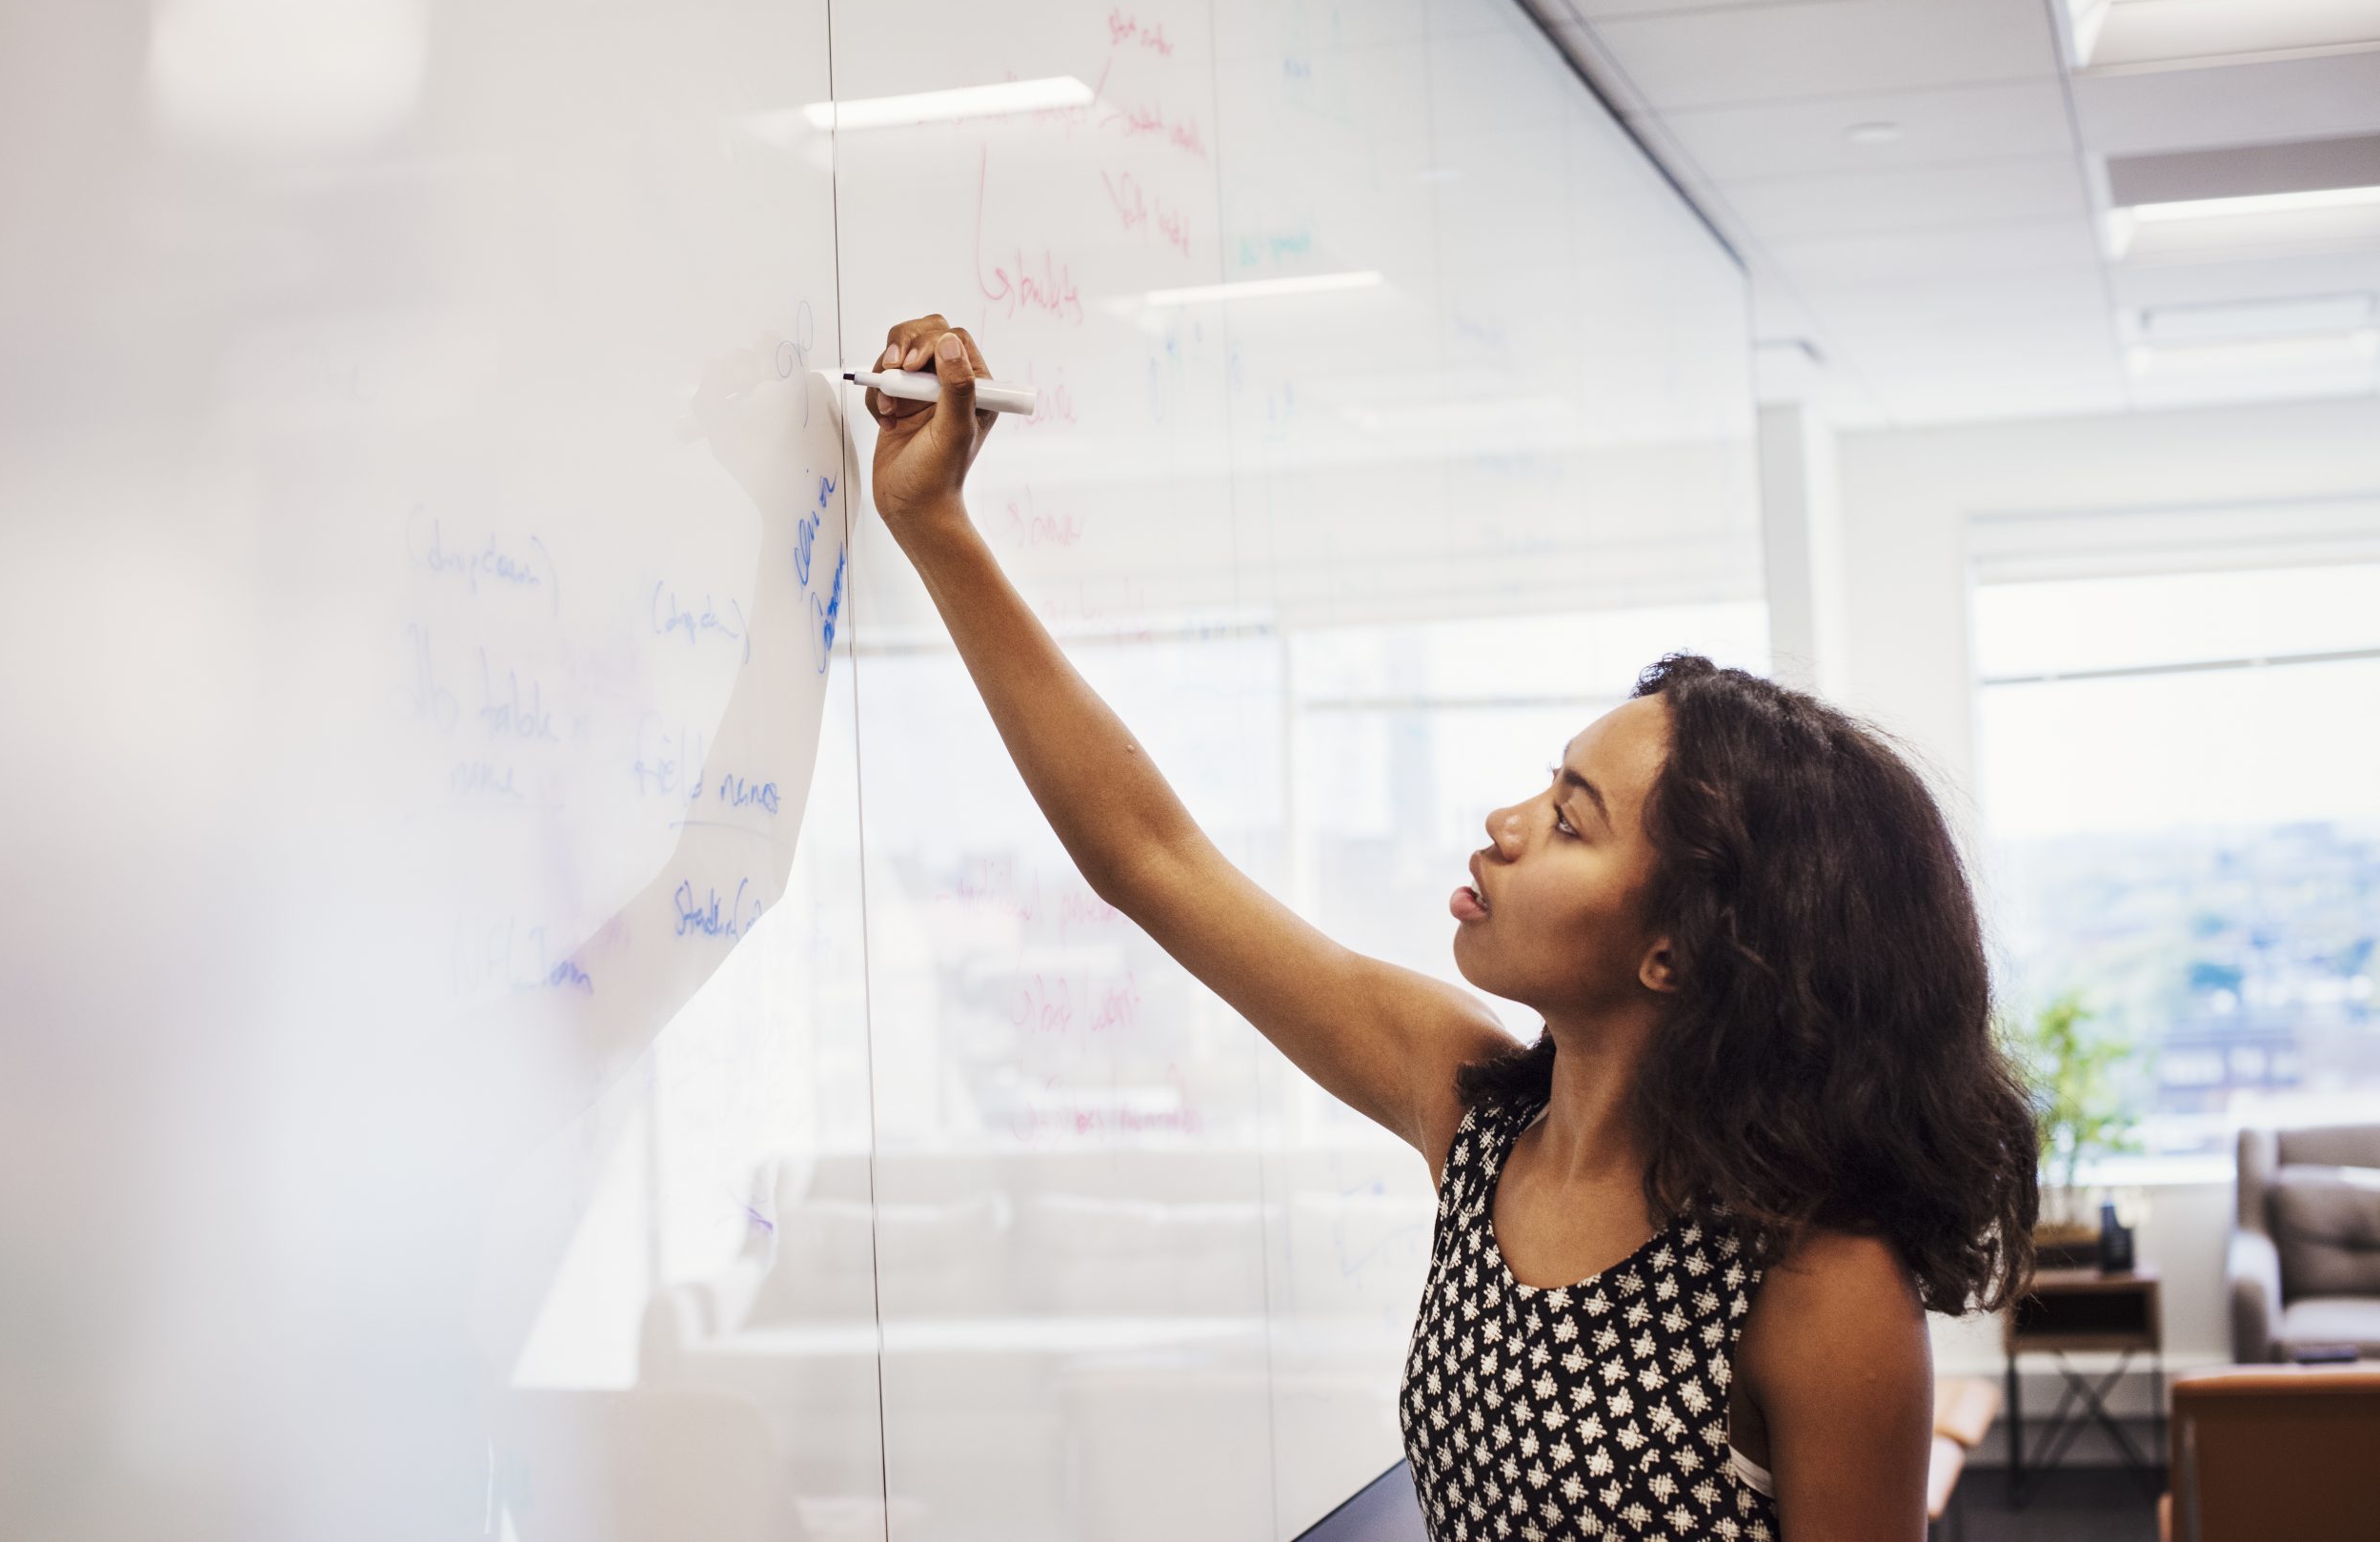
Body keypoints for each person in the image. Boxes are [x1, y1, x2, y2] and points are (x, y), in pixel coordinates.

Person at [863, 315, 2039, 1542]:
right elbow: (1150, 859)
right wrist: (933, 526)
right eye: (1547, 784)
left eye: (1572, 822)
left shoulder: (1816, 1282)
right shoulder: (1477, 1117)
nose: (1507, 820)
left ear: (1678, 947)